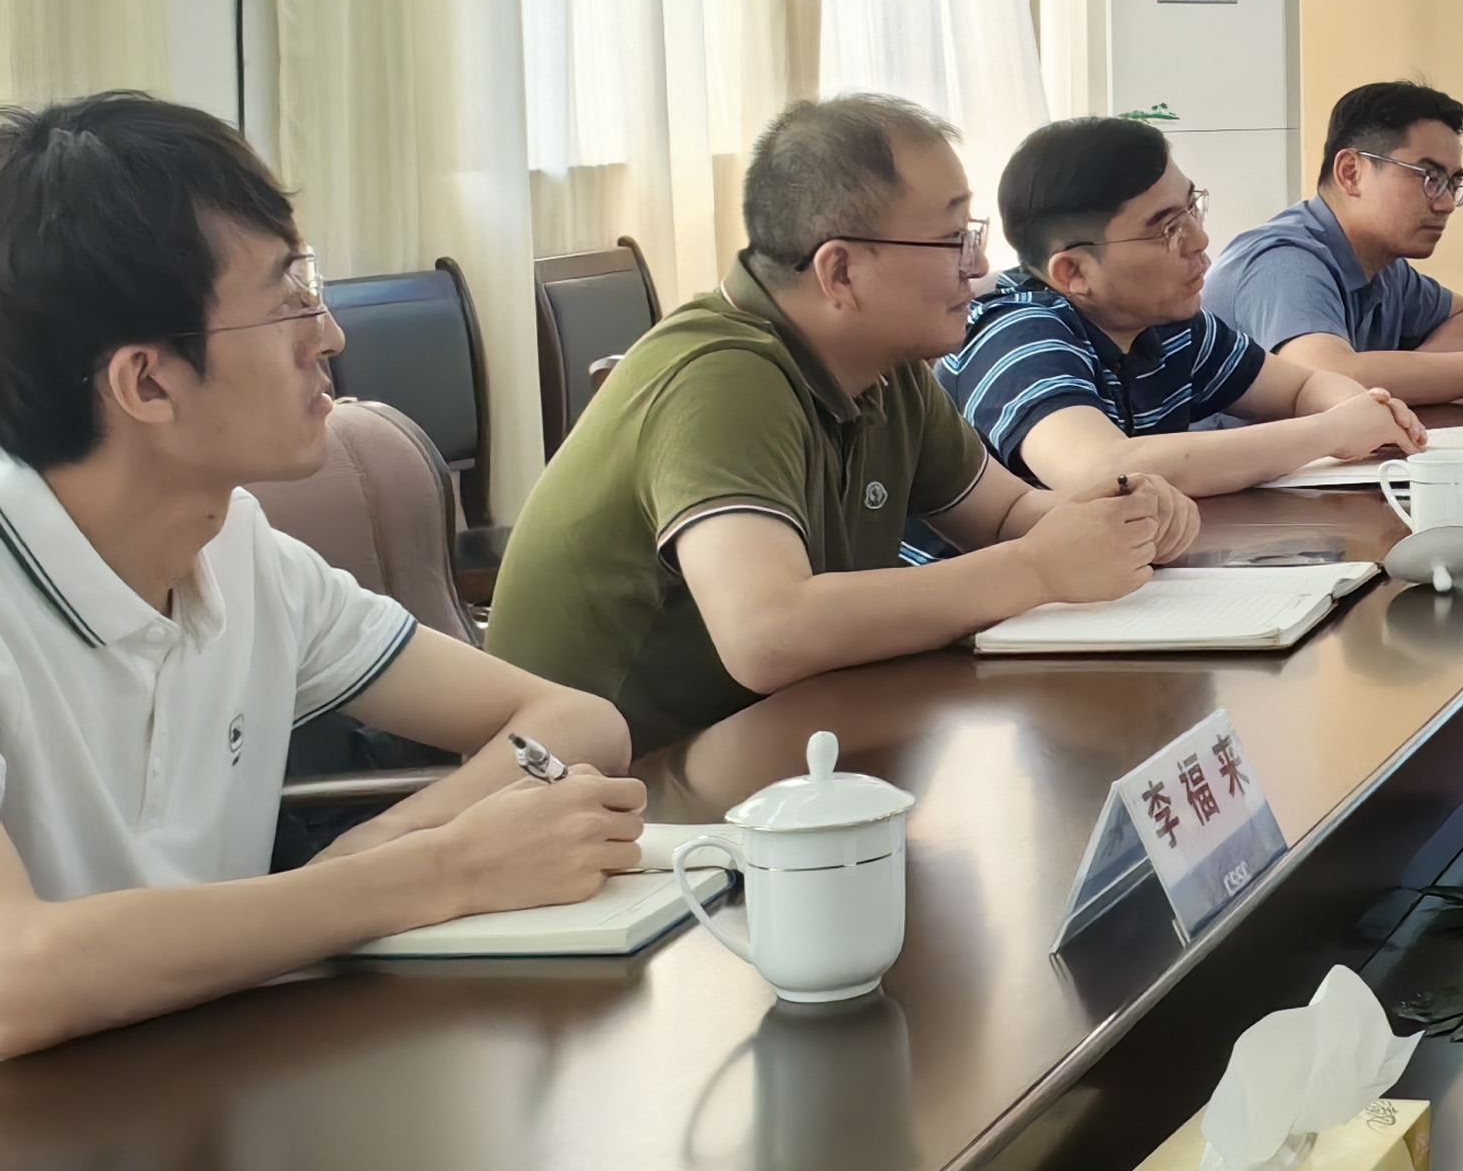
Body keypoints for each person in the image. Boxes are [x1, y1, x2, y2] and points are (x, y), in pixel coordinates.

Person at [0, 96, 648, 1129]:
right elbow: (1, 978)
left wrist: (370, 855)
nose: (331, 333)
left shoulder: (235, 547)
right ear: (147, 383)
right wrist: (440, 869)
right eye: (288, 300)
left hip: (187, 1113)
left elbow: (575, 722)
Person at [487, 95, 1197, 759]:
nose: (980, 266)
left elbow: (1007, 513)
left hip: (773, 750)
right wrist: (1037, 568)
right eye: (953, 239)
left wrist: (1122, 516)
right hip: (617, 789)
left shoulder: (882, 367)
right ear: (842, 273)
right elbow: (767, 631)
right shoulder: (722, 377)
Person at [935, 117, 1430, 508]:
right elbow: (1102, 471)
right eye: (1168, 228)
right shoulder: (1015, 333)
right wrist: (1331, 432)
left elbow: (1302, 387)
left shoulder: (1172, 324)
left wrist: (1361, 412)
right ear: (1074, 272)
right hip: (990, 603)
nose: (1199, 239)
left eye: (1192, 208)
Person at [1204, 81, 1463, 404]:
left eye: (1452, 183)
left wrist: (1412, 378)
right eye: (1429, 177)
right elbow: (1326, 379)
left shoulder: (1384, 267)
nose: (1447, 204)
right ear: (1351, 173)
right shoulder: (1284, 262)